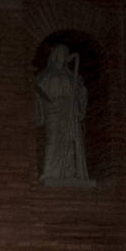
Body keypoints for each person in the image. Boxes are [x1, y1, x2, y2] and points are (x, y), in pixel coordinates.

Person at [33, 43, 89, 182]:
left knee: (70, 140)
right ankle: (49, 172)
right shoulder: (46, 74)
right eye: (60, 53)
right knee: (52, 140)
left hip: (69, 110)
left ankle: (69, 172)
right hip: (53, 110)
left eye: (65, 53)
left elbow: (80, 92)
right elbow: (38, 90)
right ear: (55, 55)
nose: (63, 56)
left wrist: (80, 93)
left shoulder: (70, 75)